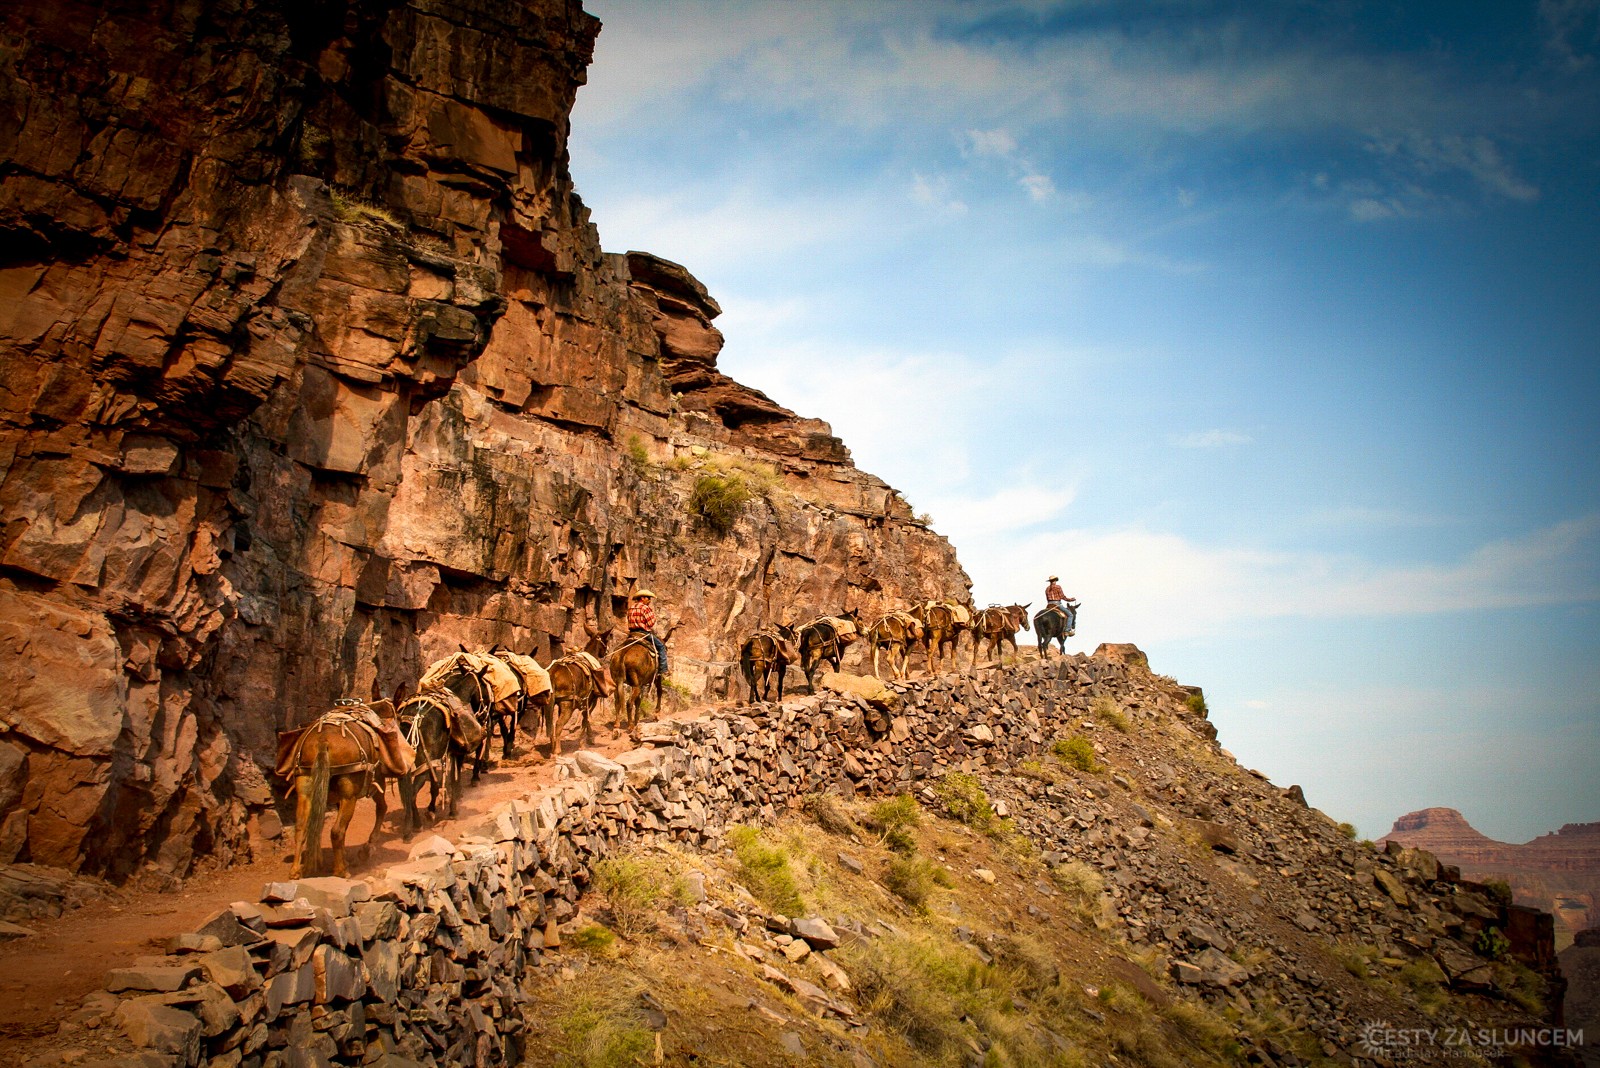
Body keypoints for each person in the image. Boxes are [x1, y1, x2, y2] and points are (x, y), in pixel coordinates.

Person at [627, 589, 669, 677]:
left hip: (632, 633)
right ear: (642, 598)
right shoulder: (645, 608)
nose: (649, 601)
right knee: (661, 646)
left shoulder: (631, 607)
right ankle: (663, 669)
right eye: (648, 598)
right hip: (643, 633)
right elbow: (650, 623)